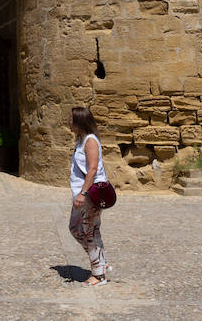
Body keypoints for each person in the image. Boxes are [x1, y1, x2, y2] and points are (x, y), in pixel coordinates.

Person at [68, 106, 110, 287]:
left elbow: (92, 169)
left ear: (79, 121)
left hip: (90, 194)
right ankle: (100, 263)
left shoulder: (90, 141)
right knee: (75, 229)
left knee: (90, 231)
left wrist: (83, 193)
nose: (68, 122)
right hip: (81, 194)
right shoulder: (81, 140)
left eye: (71, 119)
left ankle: (99, 276)